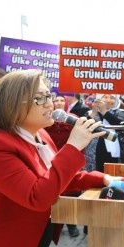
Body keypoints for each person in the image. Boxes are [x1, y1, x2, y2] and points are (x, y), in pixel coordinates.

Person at [0, 69, 119, 247]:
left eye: (49, 95)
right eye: (40, 98)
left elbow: (56, 177)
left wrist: (104, 179)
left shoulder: (40, 134)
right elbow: (37, 197)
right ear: (12, 104)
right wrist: (73, 146)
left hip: (36, 238)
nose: (50, 104)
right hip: (3, 241)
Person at [44, 93, 80, 238]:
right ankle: (51, 225)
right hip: (49, 161)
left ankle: (72, 225)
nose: (58, 103)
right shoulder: (45, 119)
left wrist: (74, 158)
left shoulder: (72, 119)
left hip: (69, 161)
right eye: (56, 100)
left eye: (61, 100)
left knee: (70, 194)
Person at [84, 93, 124, 172]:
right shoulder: (90, 113)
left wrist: (105, 112)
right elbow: (84, 126)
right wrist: (94, 112)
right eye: (105, 97)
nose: (108, 100)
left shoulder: (121, 112)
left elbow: (122, 125)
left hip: (115, 153)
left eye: (112, 98)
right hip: (95, 152)